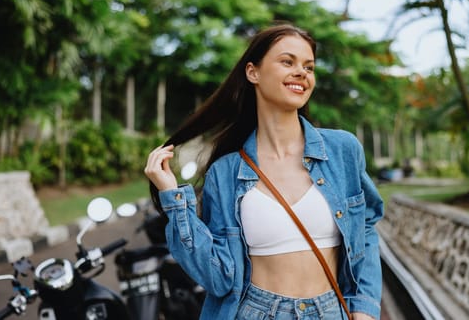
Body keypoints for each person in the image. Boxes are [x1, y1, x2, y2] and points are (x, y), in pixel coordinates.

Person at [145, 23, 384, 320]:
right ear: (252, 72)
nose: (302, 73)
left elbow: (366, 230)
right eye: (288, 62)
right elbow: (218, 279)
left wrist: (364, 308)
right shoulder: (226, 172)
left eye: (308, 67)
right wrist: (172, 197)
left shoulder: (343, 151)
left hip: (331, 311)